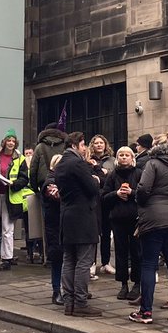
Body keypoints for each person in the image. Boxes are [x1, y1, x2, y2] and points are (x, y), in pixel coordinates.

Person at [130, 135, 168, 325]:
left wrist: (141, 204)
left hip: (153, 217)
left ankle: (146, 312)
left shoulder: (153, 164)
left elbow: (143, 188)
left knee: (149, 264)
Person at [55, 131, 102, 316]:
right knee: (84, 261)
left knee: (69, 259)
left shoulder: (60, 164)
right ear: (75, 145)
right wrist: (96, 180)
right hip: (83, 217)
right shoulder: (77, 163)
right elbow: (91, 188)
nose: (85, 149)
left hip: (67, 216)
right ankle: (80, 302)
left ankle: (69, 301)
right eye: (83, 145)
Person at [0, 130, 30, 271]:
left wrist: (14, 183)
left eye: (13, 140)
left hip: (11, 195)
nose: (11, 143)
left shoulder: (20, 158)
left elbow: (24, 178)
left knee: (8, 229)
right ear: (4, 141)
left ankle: (7, 258)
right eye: (8, 140)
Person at [103, 145, 142, 301]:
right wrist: (116, 194)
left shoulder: (139, 173)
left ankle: (137, 283)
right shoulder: (112, 176)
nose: (124, 157)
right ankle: (123, 284)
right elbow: (104, 197)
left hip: (135, 219)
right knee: (120, 252)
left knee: (137, 252)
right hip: (118, 219)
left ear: (132, 158)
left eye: (127, 155)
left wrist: (132, 193)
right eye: (121, 155)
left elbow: (145, 194)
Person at [89, 134, 116, 276]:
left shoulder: (112, 160)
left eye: (101, 142)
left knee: (106, 232)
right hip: (94, 200)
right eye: (96, 143)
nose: (99, 145)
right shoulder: (88, 160)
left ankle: (106, 262)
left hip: (107, 199)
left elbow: (113, 178)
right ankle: (92, 262)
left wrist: (106, 174)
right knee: (94, 232)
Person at [42, 153, 65, 305]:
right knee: (57, 258)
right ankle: (56, 290)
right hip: (55, 224)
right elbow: (56, 195)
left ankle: (71, 288)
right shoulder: (50, 181)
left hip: (67, 223)